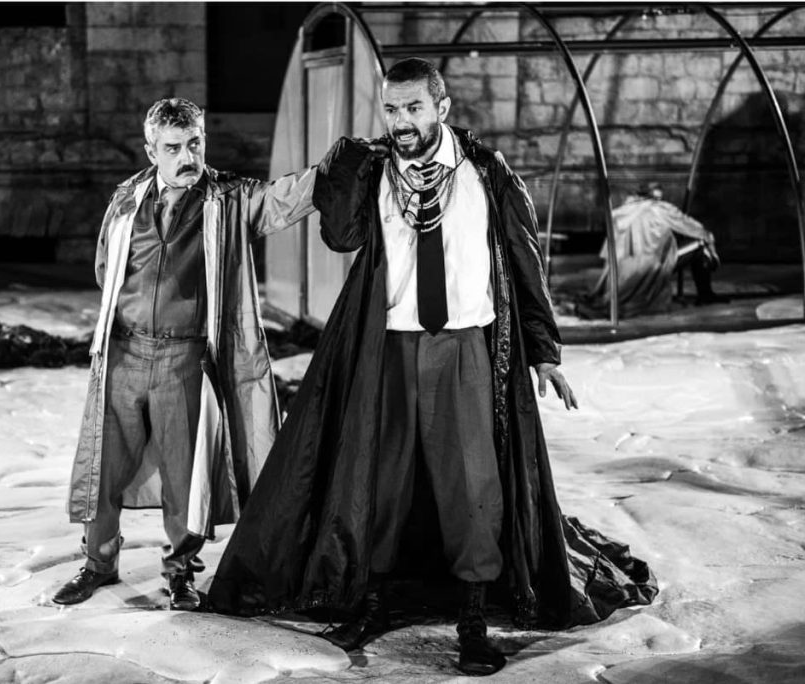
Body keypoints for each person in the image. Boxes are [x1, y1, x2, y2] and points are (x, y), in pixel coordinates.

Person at [208, 59, 656, 675]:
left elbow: (525, 261)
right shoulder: (374, 170)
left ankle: (473, 618)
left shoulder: (486, 173)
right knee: (378, 477)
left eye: (414, 108)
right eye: (392, 109)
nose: (401, 121)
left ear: (442, 109)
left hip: (464, 347)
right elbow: (341, 238)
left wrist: (544, 351)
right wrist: (343, 168)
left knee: (473, 483)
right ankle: (371, 599)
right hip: (387, 347)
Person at [55, 97, 315, 610]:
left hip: (184, 360)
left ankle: (180, 572)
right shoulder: (126, 200)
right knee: (103, 468)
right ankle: (98, 564)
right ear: (151, 150)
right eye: (173, 148)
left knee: (185, 475)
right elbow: (107, 268)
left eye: (194, 143)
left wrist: (336, 169)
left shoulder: (228, 199)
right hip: (125, 355)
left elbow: (284, 199)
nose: (187, 156)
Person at [577, 183, 724, 319]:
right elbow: (694, 228)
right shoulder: (660, 209)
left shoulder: (622, 212)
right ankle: (706, 296)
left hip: (622, 273)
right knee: (701, 244)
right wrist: (709, 239)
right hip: (652, 267)